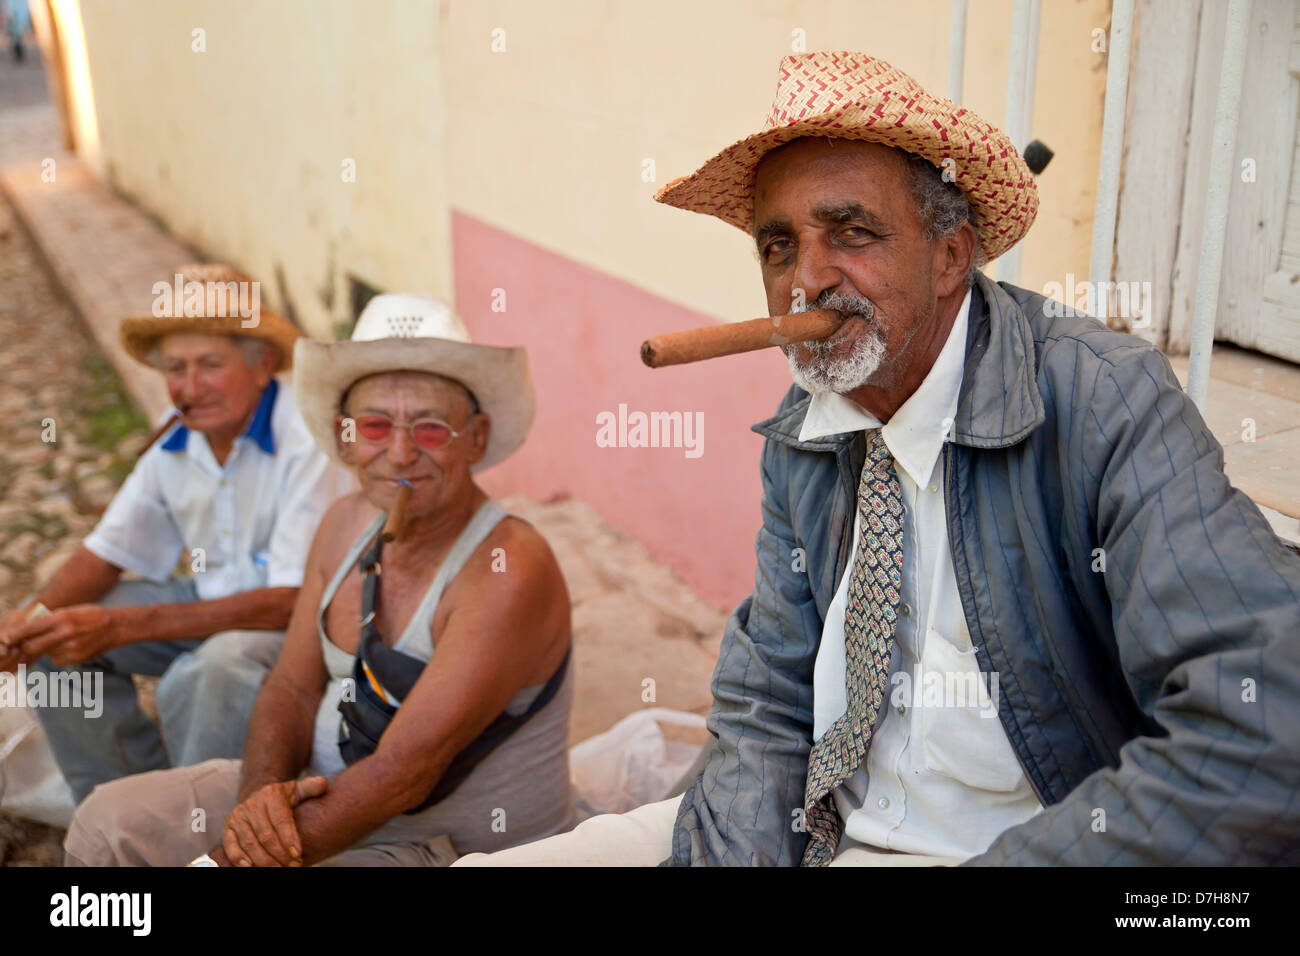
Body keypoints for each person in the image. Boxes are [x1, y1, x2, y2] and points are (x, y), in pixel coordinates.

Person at [455, 51, 1300, 867]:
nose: (806, 281)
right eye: (778, 246)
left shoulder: (1103, 400)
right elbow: (771, 702)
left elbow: (1261, 729)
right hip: (820, 829)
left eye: (850, 232)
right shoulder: (807, 428)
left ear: (951, 257)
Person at [62, 293, 575, 866]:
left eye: (431, 429)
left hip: (446, 845)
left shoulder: (510, 565)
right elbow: (293, 687)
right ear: (345, 436)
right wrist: (260, 804)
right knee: (107, 824)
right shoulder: (344, 525)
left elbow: (403, 775)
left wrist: (236, 858)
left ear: (475, 438)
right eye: (376, 426)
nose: (401, 454)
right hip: (318, 792)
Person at [0, 263, 353, 802]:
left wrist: (123, 626)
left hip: (305, 625)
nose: (189, 388)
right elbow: (106, 552)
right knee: (57, 638)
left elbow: (291, 601)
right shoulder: (179, 434)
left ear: (263, 366)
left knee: (219, 666)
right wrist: (27, 625)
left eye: (210, 365)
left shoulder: (305, 438)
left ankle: (192, 827)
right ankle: (114, 805)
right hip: (211, 602)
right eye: (175, 368)